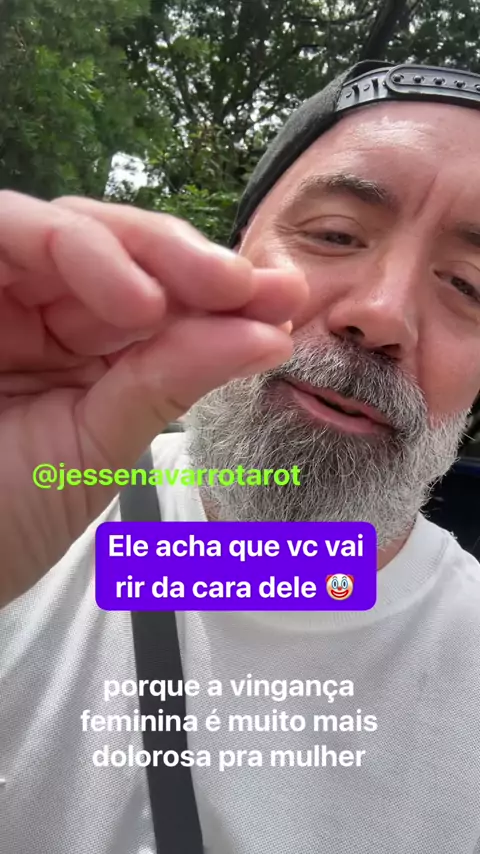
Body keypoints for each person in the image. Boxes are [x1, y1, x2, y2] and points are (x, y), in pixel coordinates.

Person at [1, 58, 480, 854]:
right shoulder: (40, 508)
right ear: (234, 251)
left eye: (469, 285)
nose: (381, 315)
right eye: (334, 234)